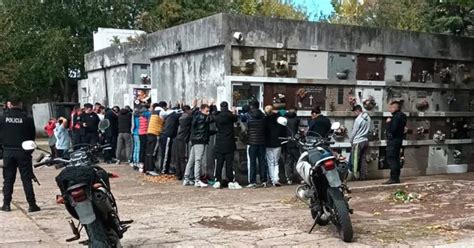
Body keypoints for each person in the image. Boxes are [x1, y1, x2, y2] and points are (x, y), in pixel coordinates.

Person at [0, 98, 40, 212]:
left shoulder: (2, 118)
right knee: (26, 179)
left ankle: (6, 204)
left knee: (8, 179)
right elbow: (32, 136)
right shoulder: (27, 118)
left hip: (8, 151)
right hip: (23, 151)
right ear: (20, 104)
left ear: (9, 104)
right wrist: (29, 150)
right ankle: (32, 205)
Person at [183, 103, 216, 188]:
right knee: (198, 159)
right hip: (200, 140)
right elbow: (211, 119)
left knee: (191, 160)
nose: (208, 112)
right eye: (207, 111)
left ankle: (186, 178)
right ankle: (197, 180)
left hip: (195, 140)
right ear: (202, 110)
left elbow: (204, 129)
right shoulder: (202, 117)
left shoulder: (196, 116)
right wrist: (214, 108)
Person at [213, 102, 239, 189]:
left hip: (219, 143)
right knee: (229, 164)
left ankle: (217, 180)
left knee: (219, 164)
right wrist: (234, 111)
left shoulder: (217, 116)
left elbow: (213, 115)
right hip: (229, 143)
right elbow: (236, 118)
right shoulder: (230, 116)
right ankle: (230, 180)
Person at [384, 101, 407, 185]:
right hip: (399, 140)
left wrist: (388, 123)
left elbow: (393, 129)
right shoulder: (403, 116)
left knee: (391, 159)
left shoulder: (396, 117)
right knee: (396, 158)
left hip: (393, 140)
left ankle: (393, 178)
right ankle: (396, 177)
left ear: (395, 107)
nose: (389, 109)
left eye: (391, 107)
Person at [246, 100, 268, 188]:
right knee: (262, 161)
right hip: (262, 142)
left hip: (252, 142)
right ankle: (264, 180)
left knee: (252, 162)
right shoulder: (263, 116)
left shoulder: (249, 115)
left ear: (251, 106)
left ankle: (252, 181)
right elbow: (266, 128)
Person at [349, 105, 371, 180]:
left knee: (355, 159)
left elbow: (354, 131)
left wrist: (351, 140)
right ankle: (363, 175)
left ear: (357, 111)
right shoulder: (368, 118)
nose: (354, 114)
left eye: (355, 112)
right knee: (363, 159)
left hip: (357, 141)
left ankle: (355, 176)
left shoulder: (358, 120)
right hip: (365, 141)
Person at [264, 105, 285, 187]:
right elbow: (282, 129)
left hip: (268, 143)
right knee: (276, 162)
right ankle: (276, 179)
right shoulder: (278, 118)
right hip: (277, 142)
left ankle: (272, 179)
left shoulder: (265, 120)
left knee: (270, 162)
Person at [144, 104, 165, 176]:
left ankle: (146, 168)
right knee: (153, 152)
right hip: (155, 135)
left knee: (148, 152)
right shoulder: (161, 112)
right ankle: (151, 169)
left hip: (149, 133)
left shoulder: (152, 114)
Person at [160, 104, 181, 174]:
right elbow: (183, 113)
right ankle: (164, 170)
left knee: (166, 153)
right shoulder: (174, 115)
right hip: (167, 136)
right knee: (166, 154)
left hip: (165, 136)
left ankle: (165, 168)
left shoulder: (169, 115)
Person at [175, 105, 193, 180]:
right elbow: (194, 115)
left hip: (179, 138)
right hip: (183, 139)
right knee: (183, 157)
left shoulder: (181, 116)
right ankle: (184, 174)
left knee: (179, 157)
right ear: (188, 110)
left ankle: (178, 174)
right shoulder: (187, 117)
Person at [283, 107, 300, 185]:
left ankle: (289, 178)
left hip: (286, 142)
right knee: (298, 161)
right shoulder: (297, 119)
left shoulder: (284, 119)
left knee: (288, 161)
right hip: (295, 142)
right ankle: (301, 178)